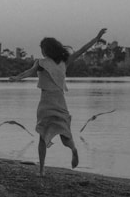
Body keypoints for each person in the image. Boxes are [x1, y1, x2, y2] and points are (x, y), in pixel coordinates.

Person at [9, 28, 107, 176]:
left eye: (42, 48)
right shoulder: (64, 62)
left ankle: (41, 170)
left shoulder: (41, 63)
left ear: (46, 49)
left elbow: (28, 72)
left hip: (46, 103)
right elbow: (82, 50)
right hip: (60, 102)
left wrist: (17, 78)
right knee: (65, 133)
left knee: (42, 136)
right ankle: (73, 149)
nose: (41, 51)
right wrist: (96, 38)